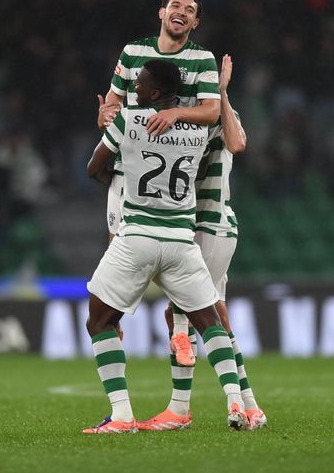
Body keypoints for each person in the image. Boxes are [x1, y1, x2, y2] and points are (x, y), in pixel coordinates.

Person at [83, 59, 249, 434]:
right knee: (210, 323)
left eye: (140, 82)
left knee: (100, 320)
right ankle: (236, 401)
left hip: (137, 237)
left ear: (154, 92)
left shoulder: (129, 119)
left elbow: (94, 167)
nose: (134, 86)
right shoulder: (199, 130)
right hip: (181, 240)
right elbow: (230, 142)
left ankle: (122, 414)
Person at [137, 55, 267, 432]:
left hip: (210, 225)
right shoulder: (181, 117)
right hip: (201, 227)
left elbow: (238, 143)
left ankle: (178, 410)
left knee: (183, 316)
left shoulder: (211, 116)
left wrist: (223, 94)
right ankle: (250, 406)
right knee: (218, 320)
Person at [97, 0, 221, 243]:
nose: (182, 13)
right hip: (128, 166)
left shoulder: (203, 59)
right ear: (162, 12)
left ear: (195, 23)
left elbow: (211, 112)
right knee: (118, 249)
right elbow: (113, 102)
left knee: (172, 255)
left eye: (190, 10)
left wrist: (175, 113)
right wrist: (105, 119)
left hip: (174, 174)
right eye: (176, 6)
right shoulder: (132, 52)